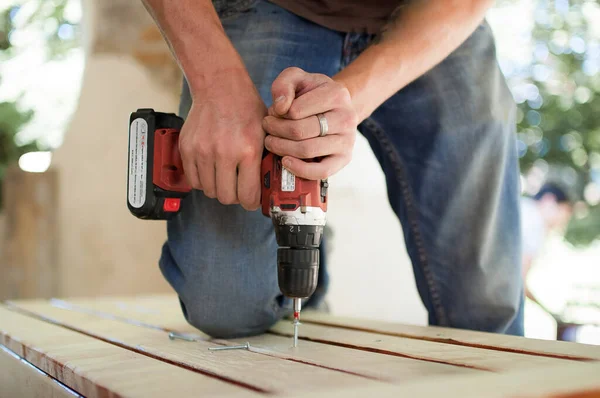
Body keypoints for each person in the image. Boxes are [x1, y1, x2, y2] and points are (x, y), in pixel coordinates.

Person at [142, 0, 524, 338]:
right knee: (223, 306)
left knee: (485, 307)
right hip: (269, 5)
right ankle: (305, 276)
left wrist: (349, 102)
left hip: (433, 17)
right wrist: (217, 84)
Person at [521, 183, 574, 313]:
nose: (562, 223)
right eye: (564, 213)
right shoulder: (535, 222)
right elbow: (519, 283)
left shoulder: (522, 205)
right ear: (549, 200)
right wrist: (548, 311)